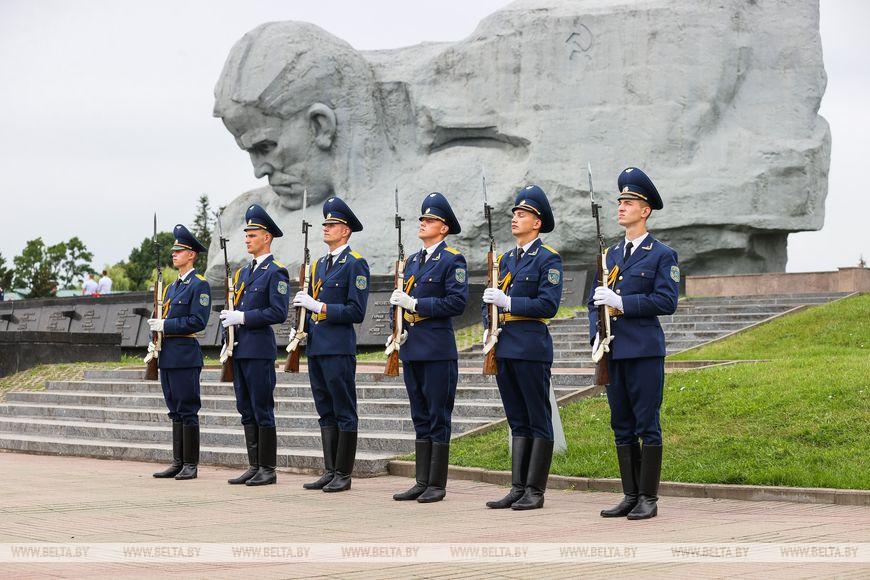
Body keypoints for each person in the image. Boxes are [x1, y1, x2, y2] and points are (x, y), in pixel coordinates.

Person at [587, 167, 679, 520]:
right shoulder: (610, 255)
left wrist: (623, 303)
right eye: (621, 201)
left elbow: (666, 301)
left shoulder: (661, 254)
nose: (622, 206)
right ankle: (629, 494)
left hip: (643, 349)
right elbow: (593, 303)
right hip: (614, 349)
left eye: (630, 202)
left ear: (646, 210)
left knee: (646, 422)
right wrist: (596, 338)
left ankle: (649, 498)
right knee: (620, 423)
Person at [482, 185, 563, 510]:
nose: (515, 218)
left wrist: (508, 301)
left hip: (530, 347)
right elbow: (489, 302)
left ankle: (535, 490)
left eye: (522, 214)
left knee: (537, 416)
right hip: (505, 347)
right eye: (515, 214)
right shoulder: (503, 260)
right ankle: (517, 487)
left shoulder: (548, 259)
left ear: (537, 222)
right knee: (517, 418)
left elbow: (548, 304)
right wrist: (489, 324)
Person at [389, 192, 468, 503]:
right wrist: (397, 328)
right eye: (422, 219)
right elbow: (398, 301)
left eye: (430, 219)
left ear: (444, 228)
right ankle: (421, 481)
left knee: (438, 415)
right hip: (412, 347)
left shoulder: (452, 260)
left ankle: (437, 484)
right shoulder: (411, 262)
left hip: (437, 349)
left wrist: (417, 303)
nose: (423, 223)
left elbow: (457, 301)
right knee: (419, 415)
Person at [291, 196, 369, 493]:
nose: (326, 228)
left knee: (343, 409)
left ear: (345, 230)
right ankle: (329, 469)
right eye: (325, 224)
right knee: (325, 409)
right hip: (318, 346)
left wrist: (319, 307)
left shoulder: (355, 264)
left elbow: (356, 311)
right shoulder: (319, 265)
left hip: (338, 347)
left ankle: (343, 473)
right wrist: (302, 328)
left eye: (332, 224)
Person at [220, 204, 290, 486]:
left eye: (252, 234)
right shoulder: (241, 274)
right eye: (246, 234)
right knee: (245, 407)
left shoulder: (276, 272)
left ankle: (268, 469)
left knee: (262, 407)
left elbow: (278, 312)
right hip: (240, 349)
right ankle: (254, 465)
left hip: (259, 350)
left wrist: (244, 317)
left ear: (267, 237)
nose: (247, 238)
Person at [148, 225, 211, 480]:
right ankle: (178, 461)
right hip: (168, 355)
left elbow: (198, 321)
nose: (174, 254)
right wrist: (155, 334)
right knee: (174, 408)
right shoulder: (171, 288)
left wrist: (166, 325)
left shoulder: (199, 285)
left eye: (180, 250)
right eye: (173, 250)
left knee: (187, 409)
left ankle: (191, 464)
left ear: (192, 254)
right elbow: (159, 317)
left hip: (185, 354)